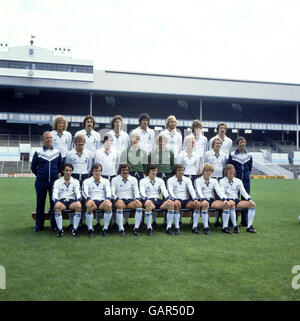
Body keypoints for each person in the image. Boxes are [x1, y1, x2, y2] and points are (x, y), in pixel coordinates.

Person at [31, 131, 63, 232]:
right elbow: (33, 167)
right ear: (43, 140)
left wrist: (54, 177)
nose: (49, 139)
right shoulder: (38, 152)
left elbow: (60, 167)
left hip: (54, 183)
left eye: (50, 138)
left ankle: (54, 225)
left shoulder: (57, 152)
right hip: (41, 182)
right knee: (40, 203)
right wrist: (41, 176)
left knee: (53, 204)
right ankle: (39, 226)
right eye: (47, 138)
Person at [65, 134, 93, 229]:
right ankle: (72, 223)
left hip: (84, 176)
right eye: (78, 141)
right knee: (72, 198)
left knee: (84, 199)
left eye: (82, 141)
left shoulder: (88, 153)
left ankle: (83, 222)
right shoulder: (70, 154)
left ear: (84, 142)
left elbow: (89, 167)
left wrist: (85, 175)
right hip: (74, 176)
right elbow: (67, 166)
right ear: (75, 143)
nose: (80, 143)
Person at [219, 164, 257, 233]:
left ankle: (249, 226)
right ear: (226, 172)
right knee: (232, 203)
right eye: (229, 171)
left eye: (232, 171)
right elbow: (222, 193)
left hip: (237, 201)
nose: (231, 173)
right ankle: (234, 226)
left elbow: (243, 192)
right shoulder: (222, 181)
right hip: (227, 200)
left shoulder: (238, 181)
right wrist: (226, 199)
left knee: (252, 205)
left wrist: (249, 199)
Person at [194, 163, 229, 235]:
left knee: (226, 205)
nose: (208, 172)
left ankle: (225, 227)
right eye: (207, 170)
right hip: (201, 199)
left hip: (211, 200)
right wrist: (203, 199)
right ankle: (206, 227)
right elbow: (198, 191)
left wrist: (224, 199)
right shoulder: (198, 180)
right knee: (205, 204)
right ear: (203, 171)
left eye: (210, 171)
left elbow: (219, 191)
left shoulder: (214, 181)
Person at [139, 164, 174, 235]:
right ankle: (149, 228)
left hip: (158, 200)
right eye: (152, 171)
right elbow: (142, 192)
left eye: (155, 170)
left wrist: (168, 198)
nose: (154, 172)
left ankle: (168, 228)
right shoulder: (143, 181)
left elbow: (164, 191)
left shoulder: (160, 180)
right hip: (149, 200)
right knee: (148, 205)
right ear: (148, 171)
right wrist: (146, 199)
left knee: (171, 204)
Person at [167, 164, 200, 235]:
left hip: (185, 200)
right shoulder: (170, 180)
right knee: (177, 204)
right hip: (176, 199)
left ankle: (194, 227)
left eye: (182, 170)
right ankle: (177, 227)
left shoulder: (187, 179)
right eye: (179, 170)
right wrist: (174, 199)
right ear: (175, 171)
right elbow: (170, 191)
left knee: (197, 204)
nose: (181, 172)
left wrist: (195, 199)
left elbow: (191, 190)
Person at [227, 136, 253, 226]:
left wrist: (245, 175)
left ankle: (245, 221)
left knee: (246, 200)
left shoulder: (249, 156)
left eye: (244, 142)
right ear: (237, 144)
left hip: (246, 181)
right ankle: (232, 221)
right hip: (235, 181)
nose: (243, 144)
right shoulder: (232, 155)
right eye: (241, 142)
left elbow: (249, 167)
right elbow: (229, 167)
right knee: (233, 199)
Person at [111, 164, 143, 236]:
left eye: (126, 170)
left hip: (130, 200)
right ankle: (121, 229)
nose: (125, 172)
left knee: (139, 205)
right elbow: (112, 193)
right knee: (120, 205)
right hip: (119, 199)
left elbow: (136, 192)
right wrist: (117, 199)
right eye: (123, 170)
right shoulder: (115, 180)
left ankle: (136, 228)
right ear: (120, 171)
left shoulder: (133, 179)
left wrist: (137, 199)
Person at [82, 163, 113, 237]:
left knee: (109, 205)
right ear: (92, 171)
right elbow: (84, 191)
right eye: (96, 171)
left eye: (99, 171)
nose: (97, 172)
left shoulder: (106, 181)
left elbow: (109, 191)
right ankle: (90, 229)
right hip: (92, 200)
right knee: (89, 205)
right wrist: (88, 198)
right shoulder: (87, 181)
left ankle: (105, 229)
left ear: (101, 171)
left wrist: (108, 199)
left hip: (102, 201)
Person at [52, 163, 81, 237]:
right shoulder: (57, 182)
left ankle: (75, 229)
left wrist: (78, 201)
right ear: (63, 171)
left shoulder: (76, 181)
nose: (68, 172)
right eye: (66, 170)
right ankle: (60, 230)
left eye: (70, 170)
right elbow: (55, 193)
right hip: (62, 201)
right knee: (57, 207)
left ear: (72, 171)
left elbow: (78, 192)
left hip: (72, 201)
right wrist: (57, 201)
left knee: (78, 206)